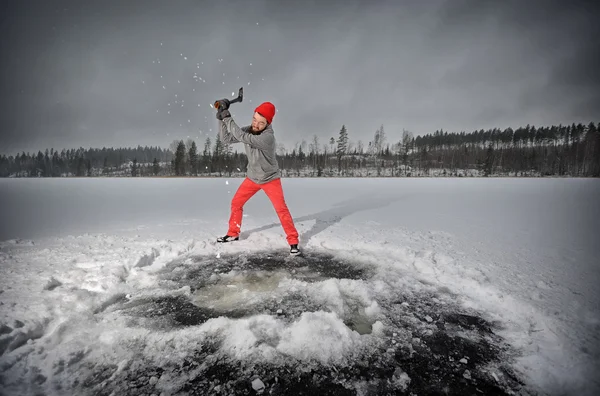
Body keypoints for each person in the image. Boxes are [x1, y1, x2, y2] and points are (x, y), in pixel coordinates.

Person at [214, 98, 300, 256]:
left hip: (270, 179)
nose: (256, 125)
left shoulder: (267, 138)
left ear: (267, 123)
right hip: (252, 178)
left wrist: (227, 117)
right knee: (236, 203)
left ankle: (293, 241)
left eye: (261, 122)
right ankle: (233, 233)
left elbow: (241, 136)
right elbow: (226, 139)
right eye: (254, 119)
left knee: (281, 209)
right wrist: (221, 118)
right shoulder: (250, 129)